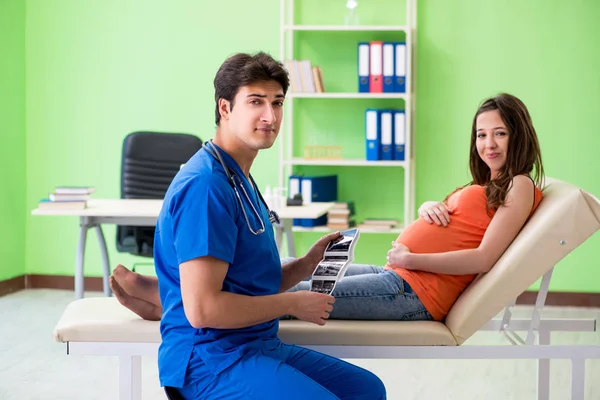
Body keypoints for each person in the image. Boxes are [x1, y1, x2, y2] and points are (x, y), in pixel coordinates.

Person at [112, 92, 545, 324]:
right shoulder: (489, 185)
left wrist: (415, 255)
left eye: (499, 134)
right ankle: (174, 295)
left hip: (416, 293)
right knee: (277, 269)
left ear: (518, 135)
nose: (488, 143)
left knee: (297, 293)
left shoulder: (521, 184)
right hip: (400, 275)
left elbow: (484, 256)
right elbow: (468, 222)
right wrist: (435, 205)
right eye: (481, 134)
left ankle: (164, 302)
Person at [127, 51, 387, 400]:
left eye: (277, 102)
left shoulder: (240, 177)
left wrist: (305, 265)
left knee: (367, 390)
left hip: (255, 342)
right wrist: (291, 305)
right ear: (225, 108)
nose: (270, 115)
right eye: (256, 102)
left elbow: (250, 284)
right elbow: (204, 309)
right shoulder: (206, 186)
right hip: (209, 360)